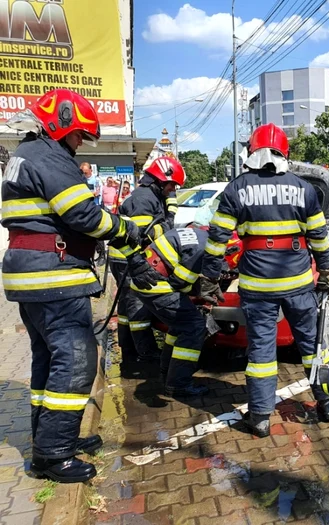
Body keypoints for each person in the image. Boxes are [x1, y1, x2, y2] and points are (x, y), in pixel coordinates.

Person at [1, 89, 140, 483]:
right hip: (54, 277)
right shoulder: (50, 157)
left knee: (49, 361)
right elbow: (83, 213)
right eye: (79, 135)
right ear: (60, 123)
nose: (80, 145)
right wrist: (123, 229)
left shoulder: (25, 156)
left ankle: (49, 439)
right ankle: (54, 456)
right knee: (77, 361)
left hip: (32, 276)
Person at [199, 123, 329, 438]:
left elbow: (217, 239)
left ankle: (260, 419)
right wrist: (326, 273)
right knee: (313, 346)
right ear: (284, 153)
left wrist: (209, 279)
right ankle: (326, 403)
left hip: (258, 287)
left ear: (252, 153)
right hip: (299, 284)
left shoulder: (236, 188)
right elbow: (319, 238)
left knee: (261, 352)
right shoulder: (305, 189)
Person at [108, 157, 185, 363]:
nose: (172, 190)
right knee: (137, 304)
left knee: (125, 305)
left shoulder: (149, 195)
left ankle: (129, 348)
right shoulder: (143, 199)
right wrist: (167, 225)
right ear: (160, 180)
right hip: (129, 259)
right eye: (171, 185)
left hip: (124, 258)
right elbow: (142, 235)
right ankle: (146, 350)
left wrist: (170, 209)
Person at [124, 227, 212, 396]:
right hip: (156, 284)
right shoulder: (204, 248)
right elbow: (181, 283)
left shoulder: (197, 234)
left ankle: (167, 372)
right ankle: (179, 384)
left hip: (145, 279)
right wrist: (199, 292)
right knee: (194, 326)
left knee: (178, 325)